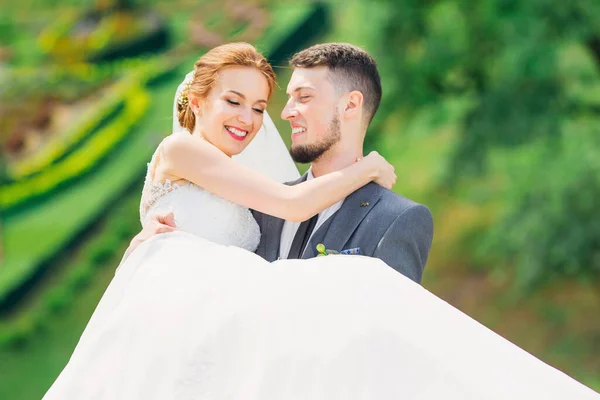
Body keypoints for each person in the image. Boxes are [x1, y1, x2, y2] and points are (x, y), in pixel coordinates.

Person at [43, 43, 599, 399]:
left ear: (351, 106)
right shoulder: (253, 196)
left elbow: (390, 357)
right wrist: (157, 249)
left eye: (281, 101)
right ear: (196, 98)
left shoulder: (396, 220)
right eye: (240, 102)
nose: (271, 117)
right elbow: (277, 217)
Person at [134, 43, 434, 283]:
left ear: (351, 105)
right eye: (234, 101)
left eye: (258, 108)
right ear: (196, 102)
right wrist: (368, 167)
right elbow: (292, 204)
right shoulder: (180, 149)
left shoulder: (248, 198)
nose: (248, 119)